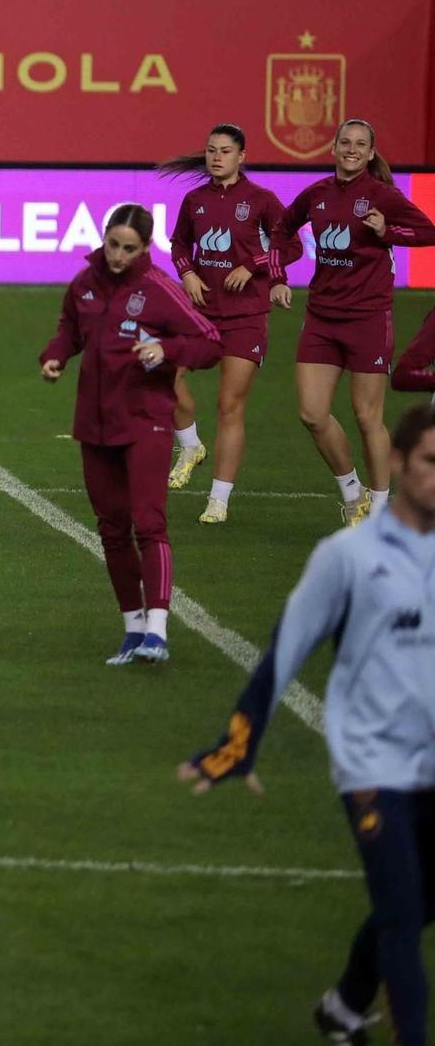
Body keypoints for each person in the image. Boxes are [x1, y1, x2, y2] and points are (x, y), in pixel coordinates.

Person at [178, 403, 435, 1046]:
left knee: (418, 901)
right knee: (403, 915)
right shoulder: (348, 556)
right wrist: (238, 744)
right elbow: (284, 650)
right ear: (399, 463)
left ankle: (346, 1008)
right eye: (431, 461)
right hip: (373, 763)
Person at [39, 204, 221, 665]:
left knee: (148, 522)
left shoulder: (158, 288)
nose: (119, 256)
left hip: (147, 420)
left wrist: (168, 348)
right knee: (112, 529)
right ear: (104, 237)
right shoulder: (84, 284)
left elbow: (210, 341)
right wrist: (55, 355)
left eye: (130, 248)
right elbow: (69, 330)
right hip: (94, 425)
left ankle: (158, 630)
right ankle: (132, 629)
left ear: (145, 247)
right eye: (114, 244)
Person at [272, 119, 435, 525]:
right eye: (346, 142)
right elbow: (281, 229)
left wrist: (387, 231)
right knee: (311, 413)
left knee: (366, 417)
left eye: (360, 144)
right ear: (334, 147)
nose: (351, 149)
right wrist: (276, 278)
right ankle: (352, 492)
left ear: (370, 153)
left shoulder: (382, 196)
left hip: (368, 317)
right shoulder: (316, 194)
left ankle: (380, 512)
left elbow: (428, 232)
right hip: (322, 318)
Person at [158, 124, 300, 524]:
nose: (216, 157)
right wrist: (187, 273)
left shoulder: (261, 200)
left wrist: (254, 266)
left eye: (224, 151)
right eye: (210, 150)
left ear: (242, 157)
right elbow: (180, 244)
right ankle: (189, 445)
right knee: (162, 373)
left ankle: (218, 500)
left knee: (229, 406)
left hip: (245, 317)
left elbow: (288, 244)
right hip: (202, 312)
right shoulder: (195, 200)